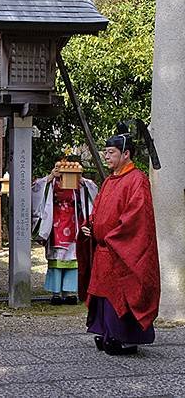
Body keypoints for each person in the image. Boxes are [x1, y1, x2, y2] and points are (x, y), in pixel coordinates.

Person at [78, 133, 160, 355]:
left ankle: (125, 339)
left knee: (122, 294)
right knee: (103, 295)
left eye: (111, 152)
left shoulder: (137, 180)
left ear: (126, 154)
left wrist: (110, 235)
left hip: (122, 250)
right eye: (105, 152)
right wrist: (90, 225)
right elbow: (98, 211)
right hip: (105, 250)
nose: (106, 156)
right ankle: (107, 334)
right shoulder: (109, 180)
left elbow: (136, 218)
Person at [32, 161, 97, 305]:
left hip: (74, 223)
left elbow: (93, 192)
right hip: (55, 223)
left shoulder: (78, 184)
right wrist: (50, 177)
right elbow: (36, 190)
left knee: (73, 259)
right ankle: (56, 292)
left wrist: (80, 179)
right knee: (56, 258)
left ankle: (70, 292)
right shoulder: (51, 183)